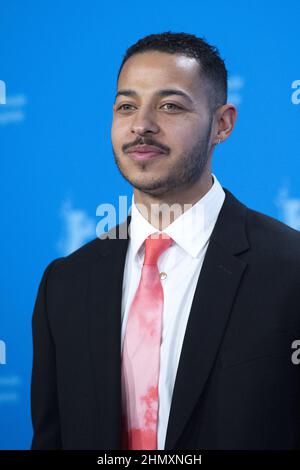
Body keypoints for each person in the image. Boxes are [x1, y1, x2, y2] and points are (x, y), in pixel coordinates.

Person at [30, 31, 300, 450]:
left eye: (170, 106)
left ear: (223, 124)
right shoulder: (64, 285)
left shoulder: (291, 270)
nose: (142, 125)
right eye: (127, 106)